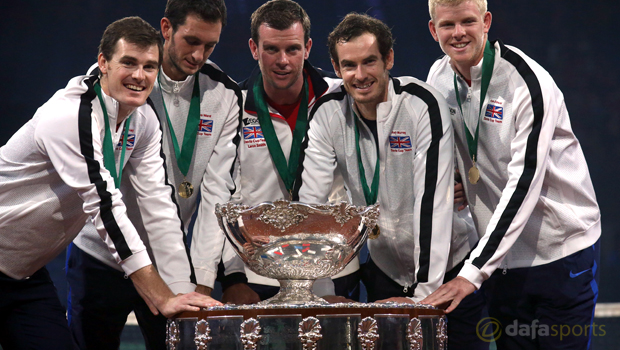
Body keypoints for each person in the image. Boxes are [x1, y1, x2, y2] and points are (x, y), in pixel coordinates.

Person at [0, 16, 219, 350]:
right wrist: (159, 296)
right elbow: (104, 205)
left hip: (25, 275)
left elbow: (157, 204)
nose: (139, 76)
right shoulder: (69, 115)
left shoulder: (142, 120)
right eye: (128, 63)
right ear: (103, 62)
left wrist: (177, 290)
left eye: (149, 66)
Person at [66, 2, 254, 349]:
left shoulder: (225, 95)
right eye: (191, 40)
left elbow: (217, 193)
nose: (198, 55)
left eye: (210, 45)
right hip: (99, 253)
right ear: (166, 28)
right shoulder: (122, 80)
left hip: (167, 257)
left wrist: (201, 280)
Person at [423, 0, 601, 348]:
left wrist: (473, 273)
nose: (458, 33)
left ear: (486, 22)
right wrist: (456, 181)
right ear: (433, 30)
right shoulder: (438, 78)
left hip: (560, 254)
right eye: (447, 25)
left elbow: (524, 182)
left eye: (468, 22)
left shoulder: (527, 82)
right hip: (499, 261)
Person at [195, 0, 359, 301]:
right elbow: (225, 198)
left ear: (307, 48)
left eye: (292, 49)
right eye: (271, 49)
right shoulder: (235, 106)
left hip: (334, 268)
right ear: (254, 49)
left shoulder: (342, 97)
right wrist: (232, 277)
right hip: (258, 273)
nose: (282, 60)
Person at [298, 12, 454, 303]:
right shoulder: (327, 114)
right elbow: (312, 208)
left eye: (369, 61)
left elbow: (433, 205)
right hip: (384, 273)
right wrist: (318, 293)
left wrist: (423, 296)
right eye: (349, 65)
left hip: (446, 273)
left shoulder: (422, 105)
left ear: (389, 59)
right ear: (336, 67)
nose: (360, 75)